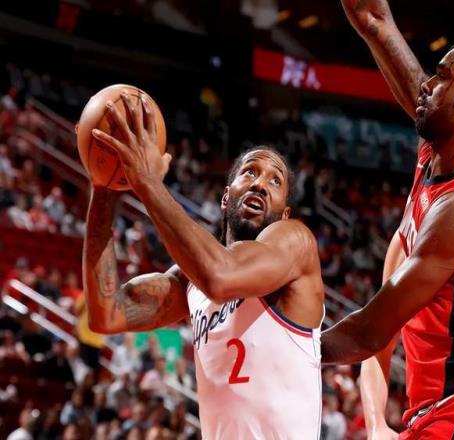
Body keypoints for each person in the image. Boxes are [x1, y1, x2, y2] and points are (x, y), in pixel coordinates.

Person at [84, 93, 324, 439]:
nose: (260, 183)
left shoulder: (295, 241)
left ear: (285, 214)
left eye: (275, 181)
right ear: (226, 196)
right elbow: (106, 313)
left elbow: (220, 277)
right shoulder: (191, 281)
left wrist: (148, 182)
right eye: (250, 172)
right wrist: (104, 185)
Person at [321, 1, 454, 439]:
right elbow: (393, 47)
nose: (426, 85)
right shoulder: (437, 155)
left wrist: (283, 342)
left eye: (441, 77)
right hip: (434, 413)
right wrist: (373, 23)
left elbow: (370, 330)